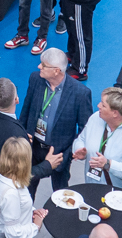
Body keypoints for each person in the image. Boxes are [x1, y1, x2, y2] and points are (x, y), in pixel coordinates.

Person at [19, 49, 92, 196]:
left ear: (56, 71)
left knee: (61, 194)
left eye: (43, 65)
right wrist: (22, 135)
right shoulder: (35, 79)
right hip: (33, 147)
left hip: (59, 153)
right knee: (26, 191)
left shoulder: (80, 93)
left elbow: (86, 129)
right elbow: (26, 109)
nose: (39, 67)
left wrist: (69, 153)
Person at [71, 87, 122, 198]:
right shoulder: (96, 118)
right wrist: (80, 149)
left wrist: (108, 164)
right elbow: (81, 139)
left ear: (115, 113)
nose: (98, 106)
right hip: (95, 189)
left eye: (103, 104)